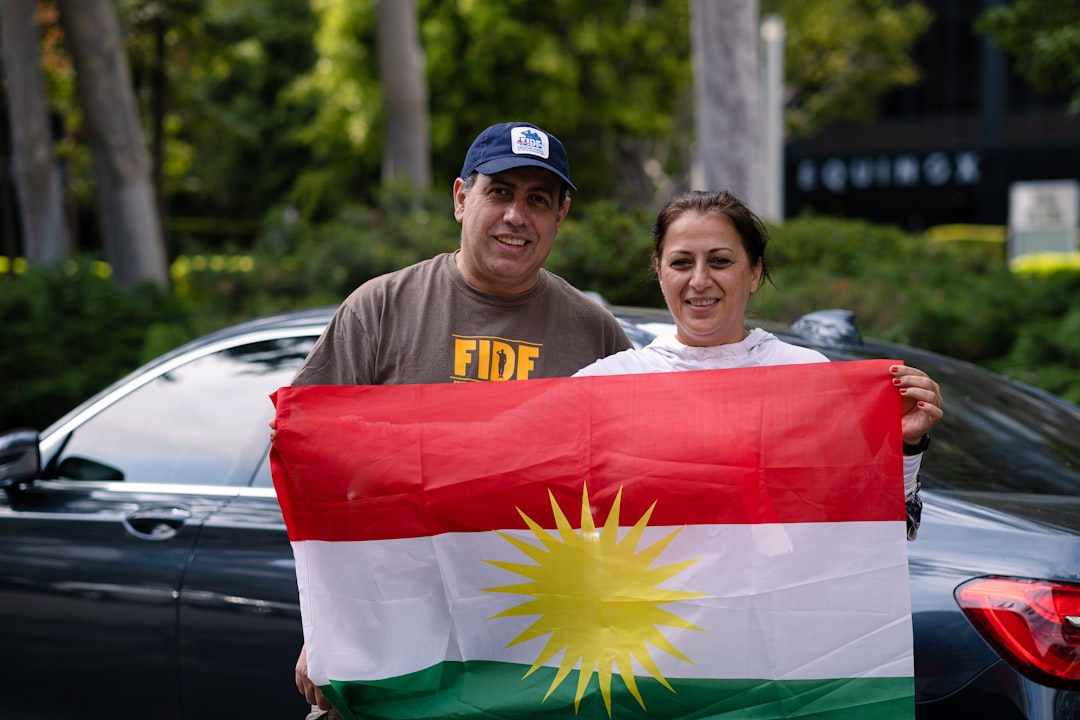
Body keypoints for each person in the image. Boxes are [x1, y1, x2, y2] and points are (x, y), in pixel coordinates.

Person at [280, 121, 634, 719]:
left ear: (560, 217)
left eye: (538, 200)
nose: (517, 215)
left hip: (532, 653)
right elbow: (312, 475)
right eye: (500, 192)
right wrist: (329, 626)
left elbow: (626, 492)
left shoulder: (594, 333)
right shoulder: (381, 309)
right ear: (460, 197)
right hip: (392, 639)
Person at [573, 189, 942, 539]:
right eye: (682, 262)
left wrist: (906, 444)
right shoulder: (604, 385)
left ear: (753, 271)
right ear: (659, 271)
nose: (699, 280)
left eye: (719, 261)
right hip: (650, 605)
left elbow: (885, 528)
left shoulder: (808, 378)